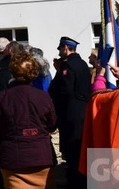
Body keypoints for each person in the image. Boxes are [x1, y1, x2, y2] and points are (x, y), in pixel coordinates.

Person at [0, 52, 57, 189]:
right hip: (40, 156)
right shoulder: (43, 97)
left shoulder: (2, 98)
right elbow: (52, 124)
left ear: (13, 72)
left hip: (13, 158)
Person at [48, 36, 90, 188]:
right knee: (80, 149)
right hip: (82, 111)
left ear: (65, 48)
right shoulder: (83, 64)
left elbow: (63, 90)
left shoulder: (67, 65)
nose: (59, 52)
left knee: (72, 153)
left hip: (70, 113)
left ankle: (75, 181)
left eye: (60, 49)